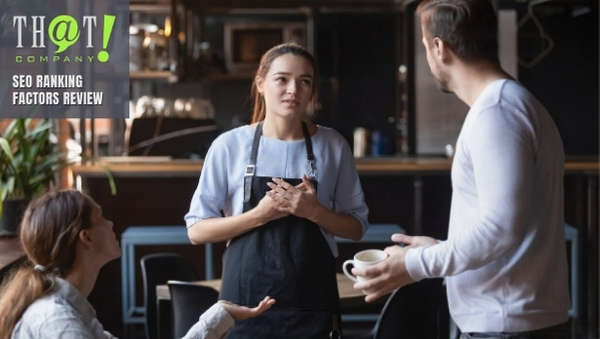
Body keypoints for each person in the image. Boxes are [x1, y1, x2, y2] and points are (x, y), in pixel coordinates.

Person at [352, 1, 571, 338]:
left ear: (439, 47)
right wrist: (436, 248)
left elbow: (499, 230)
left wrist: (413, 264)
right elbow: (507, 227)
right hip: (515, 322)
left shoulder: (496, 112)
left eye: (426, 45)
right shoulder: (509, 104)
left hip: (507, 326)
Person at [185, 42, 369, 338]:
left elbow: (356, 228)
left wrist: (314, 212)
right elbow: (197, 230)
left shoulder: (333, 145)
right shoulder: (229, 146)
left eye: (304, 81)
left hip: (312, 303)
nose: (293, 89)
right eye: (282, 79)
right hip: (243, 305)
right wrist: (259, 215)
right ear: (260, 84)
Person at [0, 189, 275, 339]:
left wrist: (219, 315)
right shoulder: (56, 320)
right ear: (86, 238)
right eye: (101, 218)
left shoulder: (70, 309)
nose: (110, 223)